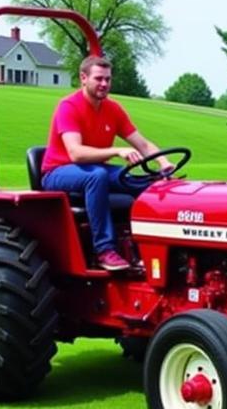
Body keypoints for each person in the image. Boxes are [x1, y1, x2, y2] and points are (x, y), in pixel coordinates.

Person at [41, 55, 172, 271]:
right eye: (98, 79)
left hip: (94, 168)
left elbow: (143, 144)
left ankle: (149, 246)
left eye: (108, 79)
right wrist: (117, 150)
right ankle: (105, 250)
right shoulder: (69, 107)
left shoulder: (113, 109)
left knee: (141, 181)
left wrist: (164, 165)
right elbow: (76, 153)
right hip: (58, 171)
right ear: (83, 78)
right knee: (97, 176)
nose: (104, 84)